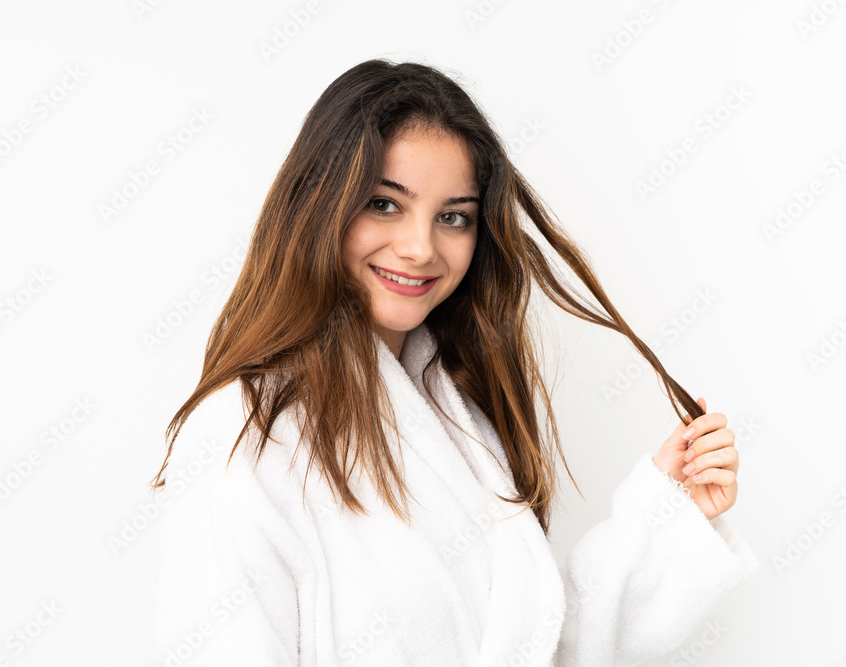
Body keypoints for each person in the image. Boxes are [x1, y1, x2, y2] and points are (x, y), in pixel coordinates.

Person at [147, 58, 758, 667]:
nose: (420, 248)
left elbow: (528, 648)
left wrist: (663, 518)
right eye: (384, 204)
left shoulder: (453, 414)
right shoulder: (239, 438)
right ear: (318, 205)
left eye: (453, 217)